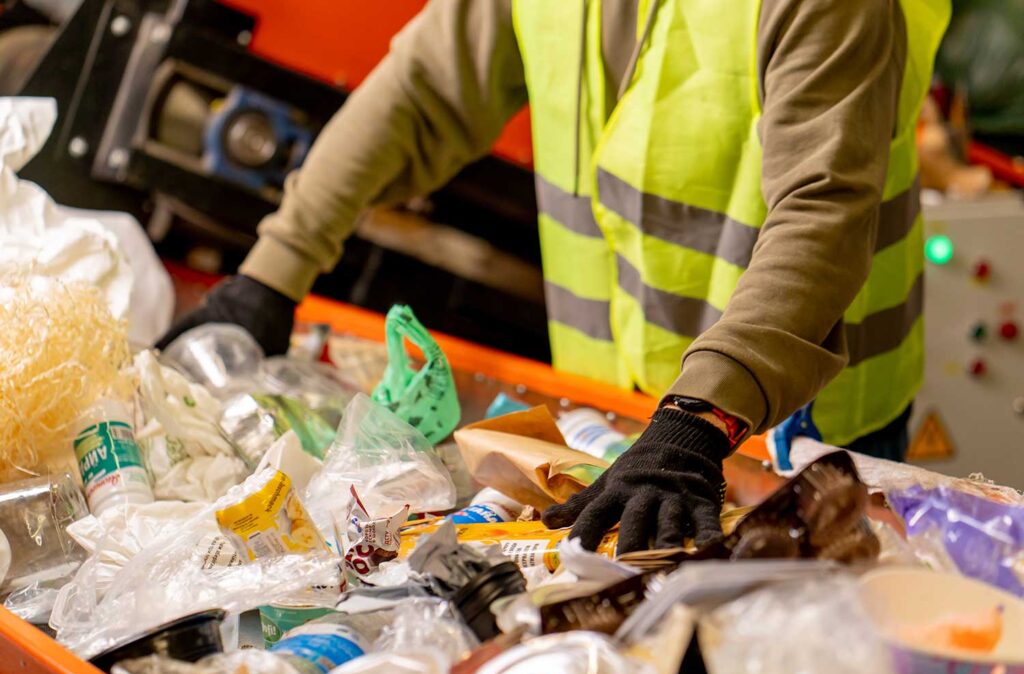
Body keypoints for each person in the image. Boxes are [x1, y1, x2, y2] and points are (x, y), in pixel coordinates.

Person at [159, 0, 950, 554]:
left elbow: (820, 211)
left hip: (791, 425)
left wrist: (699, 418)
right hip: (620, 416)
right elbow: (423, 92)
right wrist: (273, 270)